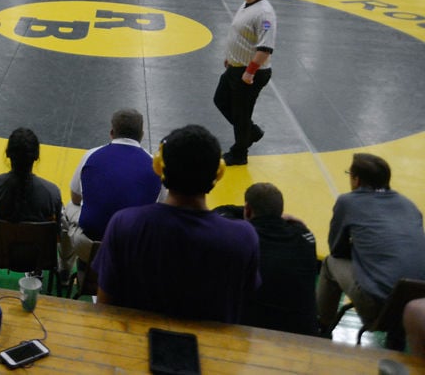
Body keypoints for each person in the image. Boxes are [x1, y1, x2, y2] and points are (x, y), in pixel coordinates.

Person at [94, 124, 260, 324]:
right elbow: (246, 305)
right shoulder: (243, 237)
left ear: (158, 167)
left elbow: (104, 308)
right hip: (212, 353)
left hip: (135, 348)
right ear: (218, 173)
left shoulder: (125, 225)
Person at [316, 153, 425, 339]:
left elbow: (337, 249)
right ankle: (396, 338)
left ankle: (321, 326)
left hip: (378, 306)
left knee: (330, 263)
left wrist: (360, 250)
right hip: (418, 303)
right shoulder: (409, 205)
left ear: (356, 180)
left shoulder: (348, 201)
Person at [58, 109, 162, 286]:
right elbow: (159, 209)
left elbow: (75, 198)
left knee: (67, 209)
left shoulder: (91, 155)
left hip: (90, 247)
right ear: (142, 135)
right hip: (133, 252)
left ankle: (64, 272)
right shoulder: (155, 165)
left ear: (112, 133)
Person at [214, 183, 318, 335]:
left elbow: (221, 212)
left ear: (248, 210)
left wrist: (248, 210)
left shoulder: (242, 237)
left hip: (251, 334)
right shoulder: (305, 237)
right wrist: (275, 216)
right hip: (304, 336)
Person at [215, 0, 275, 166]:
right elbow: (241, 35)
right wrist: (230, 57)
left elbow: (265, 47)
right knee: (221, 100)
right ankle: (251, 132)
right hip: (236, 66)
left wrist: (249, 72)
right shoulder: (248, 4)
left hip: (250, 73)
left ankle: (240, 153)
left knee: (241, 113)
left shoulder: (265, 14)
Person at [0, 127, 61, 248]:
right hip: (39, 258)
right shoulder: (52, 193)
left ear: (7, 154)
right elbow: (56, 235)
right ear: (36, 156)